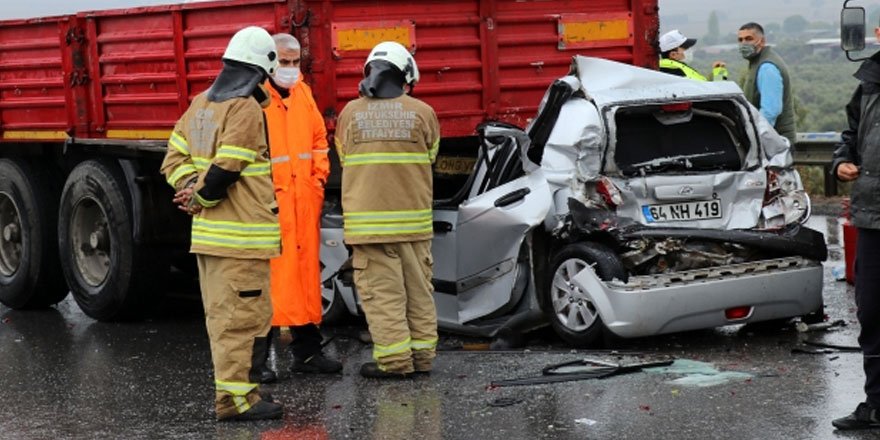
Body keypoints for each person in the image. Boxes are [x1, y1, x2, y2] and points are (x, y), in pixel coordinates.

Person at [159, 26, 284, 421]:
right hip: (241, 239)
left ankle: (235, 396)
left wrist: (188, 188)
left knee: (222, 321)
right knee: (243, 322)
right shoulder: (244, 108)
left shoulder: (199, 105)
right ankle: (237, 402)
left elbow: (172, 161)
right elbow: (229, 166)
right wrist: (201, 195)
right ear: (262, 69)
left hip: (210, 240)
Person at [334, 41, 441, 379]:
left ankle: (395, 363)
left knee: (384, 295)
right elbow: (431, 156)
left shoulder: (350, 113)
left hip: (370, 228)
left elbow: (343, 157)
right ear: (406, 75)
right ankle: (422, 358)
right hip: (415, 225)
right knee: (418, 293)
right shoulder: (424, 113)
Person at [256, 33, 340, 380]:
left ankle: (307, 352)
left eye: (295, 62)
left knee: (304, 280)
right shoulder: (256, 99)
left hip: (302, 202)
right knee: (265, 284)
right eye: (284, 62)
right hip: (271, 205)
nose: (290, 69)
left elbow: (319, 141)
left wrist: (318, 180)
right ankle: (256, 363)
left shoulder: (302, 93)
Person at [831, 24, 880, 431]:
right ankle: (877, 404)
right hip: (873, 217)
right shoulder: (869, 81)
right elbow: (850, 134)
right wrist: (841, 161)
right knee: (874, 313)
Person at [737, 22, 796, 144]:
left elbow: (770, 111)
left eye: (749, 39)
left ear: (762, 41)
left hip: (774, 143)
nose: (744, 43)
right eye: (740, 39)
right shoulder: (756, 63)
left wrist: (755, 138)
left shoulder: (767, 67)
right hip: (770, 141)